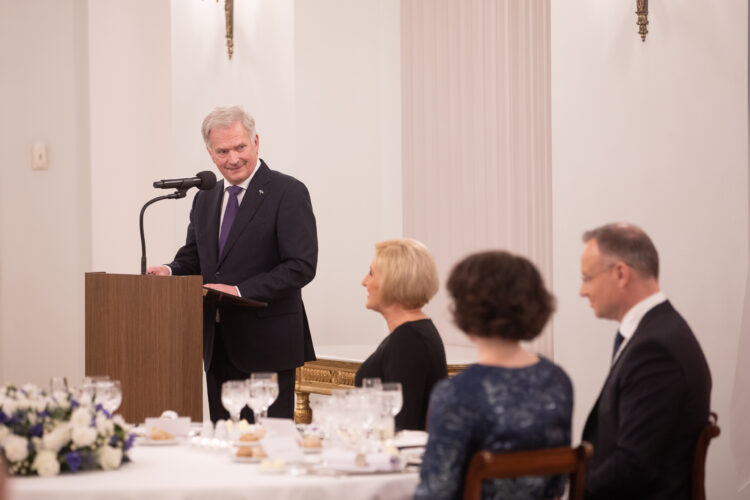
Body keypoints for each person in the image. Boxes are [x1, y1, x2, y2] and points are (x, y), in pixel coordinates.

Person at [147, 106, 318, 422]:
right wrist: (169, 270)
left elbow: (301, 265)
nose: (233, 158)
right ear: (210, 153)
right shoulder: (205, 197)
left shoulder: (288, 191)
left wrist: (240, 290)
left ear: (256, 141)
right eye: (222, 151)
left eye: (240, 147)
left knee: (266, 449)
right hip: (218, 344)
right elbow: (194, 257)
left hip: (268, 347)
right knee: (225, 445)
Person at [415, 250, 572, 500]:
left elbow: (435, 492)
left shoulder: (455, 393)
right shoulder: (557, 381)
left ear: (466, 310)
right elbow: (556, 485)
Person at [579, 223, 711, 499]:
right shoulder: (658, 331)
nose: (583, 291)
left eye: (587, 278)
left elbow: (635, 464)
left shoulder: (655, 349)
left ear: (620, 274)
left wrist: (576, 488)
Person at [354, 238, 447, 431]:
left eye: (371, 274)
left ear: (393, 282)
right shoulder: (416, 331)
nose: (364, 282)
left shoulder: (408, 341)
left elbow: (404, 426)